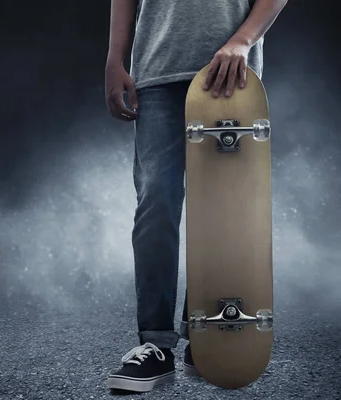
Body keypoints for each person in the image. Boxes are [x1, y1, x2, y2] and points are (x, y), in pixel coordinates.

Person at [104, 0, 288, 393]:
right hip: (157, 70)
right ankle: (155, 344)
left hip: (229, 74)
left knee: (223, 208)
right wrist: (114, 58)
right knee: (156, 201)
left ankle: (205, 337)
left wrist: (242, 40)